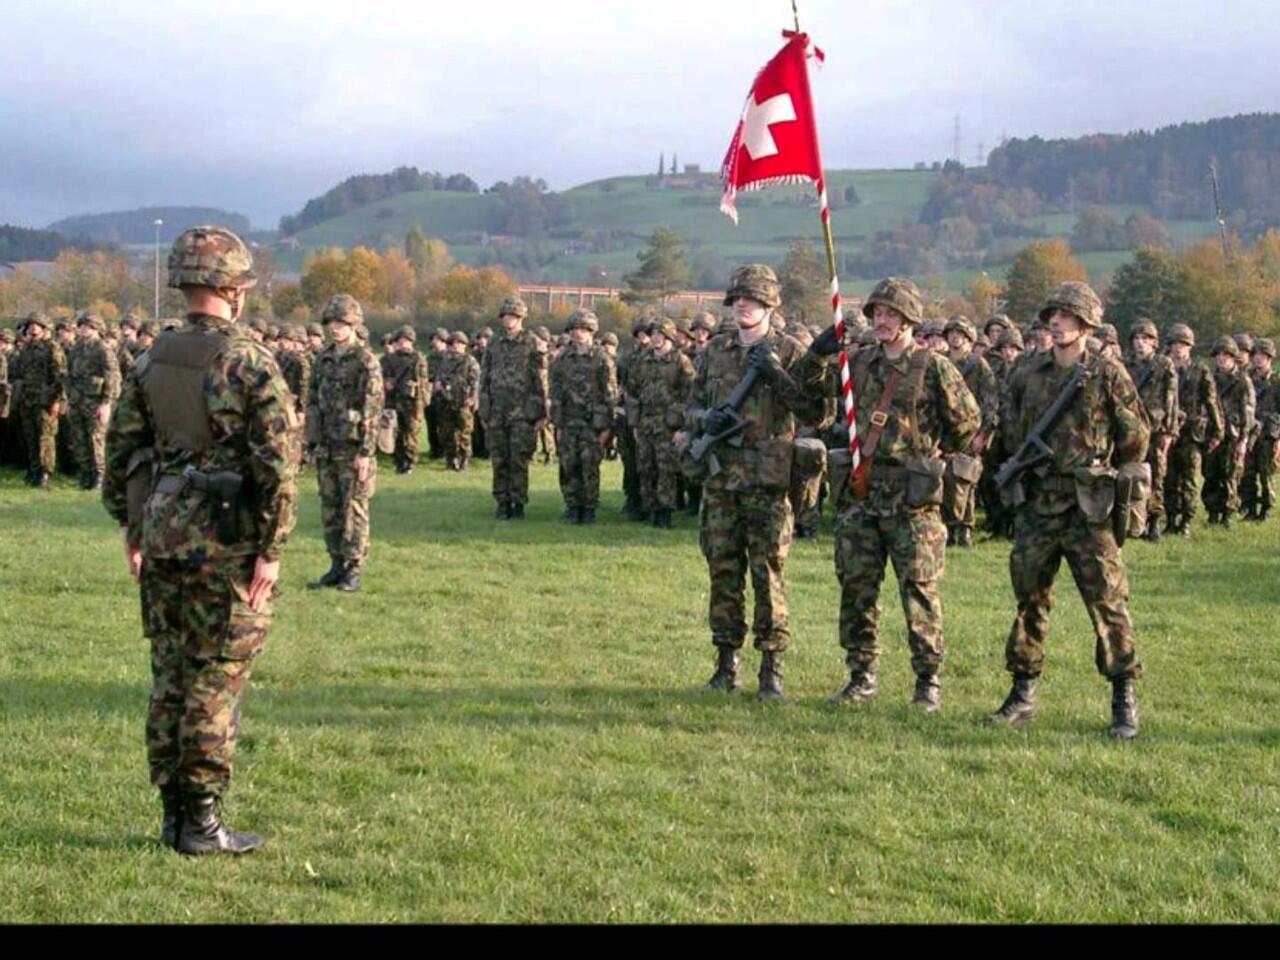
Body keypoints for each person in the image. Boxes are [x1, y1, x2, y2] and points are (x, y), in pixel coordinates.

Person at [102, 225, 297, 855]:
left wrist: (133, 528)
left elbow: (123, 454)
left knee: (171, 677)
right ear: (234, 288)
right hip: (226, 542)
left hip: (162, 535)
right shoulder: (249, 362)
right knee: (215, 680)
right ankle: (201, 825)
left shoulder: (149, 359)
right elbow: (277, 467)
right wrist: (271, 549)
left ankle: (172, 815)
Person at [797, 278, 979, 711]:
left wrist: (934, 450)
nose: (881, 320)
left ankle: (927, 681)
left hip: (912, 498)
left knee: (918, 591)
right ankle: (861, 674)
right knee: (856, 587)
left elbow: (969, 423)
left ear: (909, 320)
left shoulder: (932, 367)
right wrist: (819, 354)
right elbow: (814, 399)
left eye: (891, 314)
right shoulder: (857, 363)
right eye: (877, 313)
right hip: (862, 494)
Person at [990, 282, 1150, 740]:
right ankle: (1023, 693)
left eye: (1066, 315)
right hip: (1039, 503)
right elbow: (1013, 428)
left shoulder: (1107, 373)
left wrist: (1101, 465)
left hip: (1088, 507)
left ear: (1085, 324)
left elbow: (1135, 436)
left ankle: (1123, 699)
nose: (1055, 322)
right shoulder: (1028, 371)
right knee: (1029, 599)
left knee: (1107, 601)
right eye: (1052, 314)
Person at [687, 265, 807, 700]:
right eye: (737, 298)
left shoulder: (792, 350)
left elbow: (818, 410)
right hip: (722, 481)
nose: (742, 304)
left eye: (751, 299)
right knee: (722, 571)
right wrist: (706, 418)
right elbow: (691, 407)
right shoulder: (716, 351)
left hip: (767, 483)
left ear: (770, 304)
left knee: (767, 575)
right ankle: (725, 664)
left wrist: (776, 372)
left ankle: (771, 670)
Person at [307, 294, 383, 592]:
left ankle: (353, 567)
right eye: (331, 323)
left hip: (353, 448)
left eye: (341, 323)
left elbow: (372, 408)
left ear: (354, 325)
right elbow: (312, 402)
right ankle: (336, 563)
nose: (335, 329)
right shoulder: (322, 359)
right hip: (327, 446)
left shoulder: (365, 361)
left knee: (354, 508)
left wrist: (366, 451)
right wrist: (312, 444)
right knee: (331, 507)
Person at [478, 295, 549, 519]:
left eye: (513, 316)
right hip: (498, 410)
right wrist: (484, 407)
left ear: (521, 318)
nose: (508, 320)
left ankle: (518, 503)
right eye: (506, 316)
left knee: (518, 460)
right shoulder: (494, 343)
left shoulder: (532, 342)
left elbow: (541, 378)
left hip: (522, 412)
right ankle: (502, 502)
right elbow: (485, 376)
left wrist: (542, 412)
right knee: (499, 459)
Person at [549, 308, 616, 523]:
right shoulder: (561, 360)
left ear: (592, 332)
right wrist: (557, 424)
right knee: (569, 465)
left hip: (592, 423)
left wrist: (606, 427)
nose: (579, 334)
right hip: (568, 421)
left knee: (589, 465)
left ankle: (588, 507)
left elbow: (609, 394)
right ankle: (572, 505)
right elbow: (555, 392)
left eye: (584, 330)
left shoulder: (601, 359)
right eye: (575, 329)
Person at [942, 315, 998, 548]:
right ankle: (946, 526)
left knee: (966, 479)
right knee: (943, 479)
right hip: (944, 431)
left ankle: (965, 527)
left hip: (970, 430)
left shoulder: (978, 365)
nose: (956, 337)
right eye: (952, 333)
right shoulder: (940, 361)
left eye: (961, 334)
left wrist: (983, 434)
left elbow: (990, 402)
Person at [635, 318, 695, 528]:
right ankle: (650, 508)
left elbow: (691, 396)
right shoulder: (643, 360)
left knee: (666, 469)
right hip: (645, 423)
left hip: (668, 425)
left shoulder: (681, 361)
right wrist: (636, 423)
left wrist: (682, 427)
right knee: (645, 467)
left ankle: (665, 511)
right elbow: (633, 391)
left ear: (669, 336)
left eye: (660, 334)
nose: (656, 338)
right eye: (653, 334)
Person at [1164, 323, 1223, 536]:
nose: (1179, 348)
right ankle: (1170, 519)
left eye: (1183, 344)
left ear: (1189, 347)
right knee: (1168, 478)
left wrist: (1217, 431)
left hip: (1191, 433)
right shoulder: (1163, 368)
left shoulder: (1200, 370)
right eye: (1175, 344)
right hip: (1168, 431)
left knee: (1189, 478)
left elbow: (1211, 401)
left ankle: (1186, 521)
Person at [1124, 319, 1179, 540]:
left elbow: (1172, 401)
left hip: (1156, 429)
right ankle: (1130, 521)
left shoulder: (1163, 365)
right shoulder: (1124, 364)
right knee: (1128, 475)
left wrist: (1169, 431)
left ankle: (1154, 521)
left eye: (1145, 339)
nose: (1140, 343)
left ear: (1154, 342)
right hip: (1130, 428)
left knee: (1156, 475)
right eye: (1136, 338)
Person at [1203, 337, 1254, 528]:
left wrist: (1244, 439)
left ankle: (1228, 513)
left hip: (1233, 435)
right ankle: (1212, 512)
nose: (1222, 359)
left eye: (1226, 355)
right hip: (1213, 433)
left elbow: (1247, 411)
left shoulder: (1242, 381)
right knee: (1210, 473)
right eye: (1219, 355)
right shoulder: (1210, 378)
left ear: (1233, 357)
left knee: (1230, 474)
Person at [67, 311, 121, 490]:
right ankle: (85, 473)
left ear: (97, 329)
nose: (83, 330)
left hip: (95, 401)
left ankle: (100, 475)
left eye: (88, 326)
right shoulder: (76, 348)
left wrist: (106, 403)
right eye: (81, 326)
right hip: (77, 400)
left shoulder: (102, 349)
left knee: (96, 439)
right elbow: (69, 374)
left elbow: (112, 377)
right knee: (79, 438)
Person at [15, 312, 66, 488]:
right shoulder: (27, 348)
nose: (33, 328)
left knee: (46, 438)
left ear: (44, 328)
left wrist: (57, 400)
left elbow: (60, 376)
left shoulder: (52, 347)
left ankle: (45, 472)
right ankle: (34, 470)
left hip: (45, 400)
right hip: (28, 399)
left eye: (36, 325)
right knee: (30, 437)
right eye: (30, 326)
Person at [380, 324, 429, 475]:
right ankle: (398, 461)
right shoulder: (388, 359)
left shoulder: (418, 359)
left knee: (410, 433)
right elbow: (380, 377)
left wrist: (417, 386)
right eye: (400, 340)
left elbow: (424, 380)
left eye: (406, 340)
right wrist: (386, 383)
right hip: (393, 400)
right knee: (394, 432)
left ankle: (409, 462)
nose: (402, 343)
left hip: (412, 401)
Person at [1244, 338, 1280, 521]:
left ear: (1270, 358)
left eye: (1263, 356)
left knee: (1267, 474)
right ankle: (1249, 508)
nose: (1258, 359)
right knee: (1247, 473)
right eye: (1256, 355)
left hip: (1269, 435)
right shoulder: (1246, 378)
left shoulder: (1276, 381)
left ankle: (1265, 509)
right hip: (1250, 433)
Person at [436, 331, 481, 471]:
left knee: (464, 432)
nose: (456, 346)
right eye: (453, 343)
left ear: (464, 345)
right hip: (446, 401)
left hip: (463, 401)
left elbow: (476, 381)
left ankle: (463, 459)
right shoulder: (445, 361)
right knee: (447, 432)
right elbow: (439, 377)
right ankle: (451, 459)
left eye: (459, 344)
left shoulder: (470, 361)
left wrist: (472, 398)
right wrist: (438, 386)